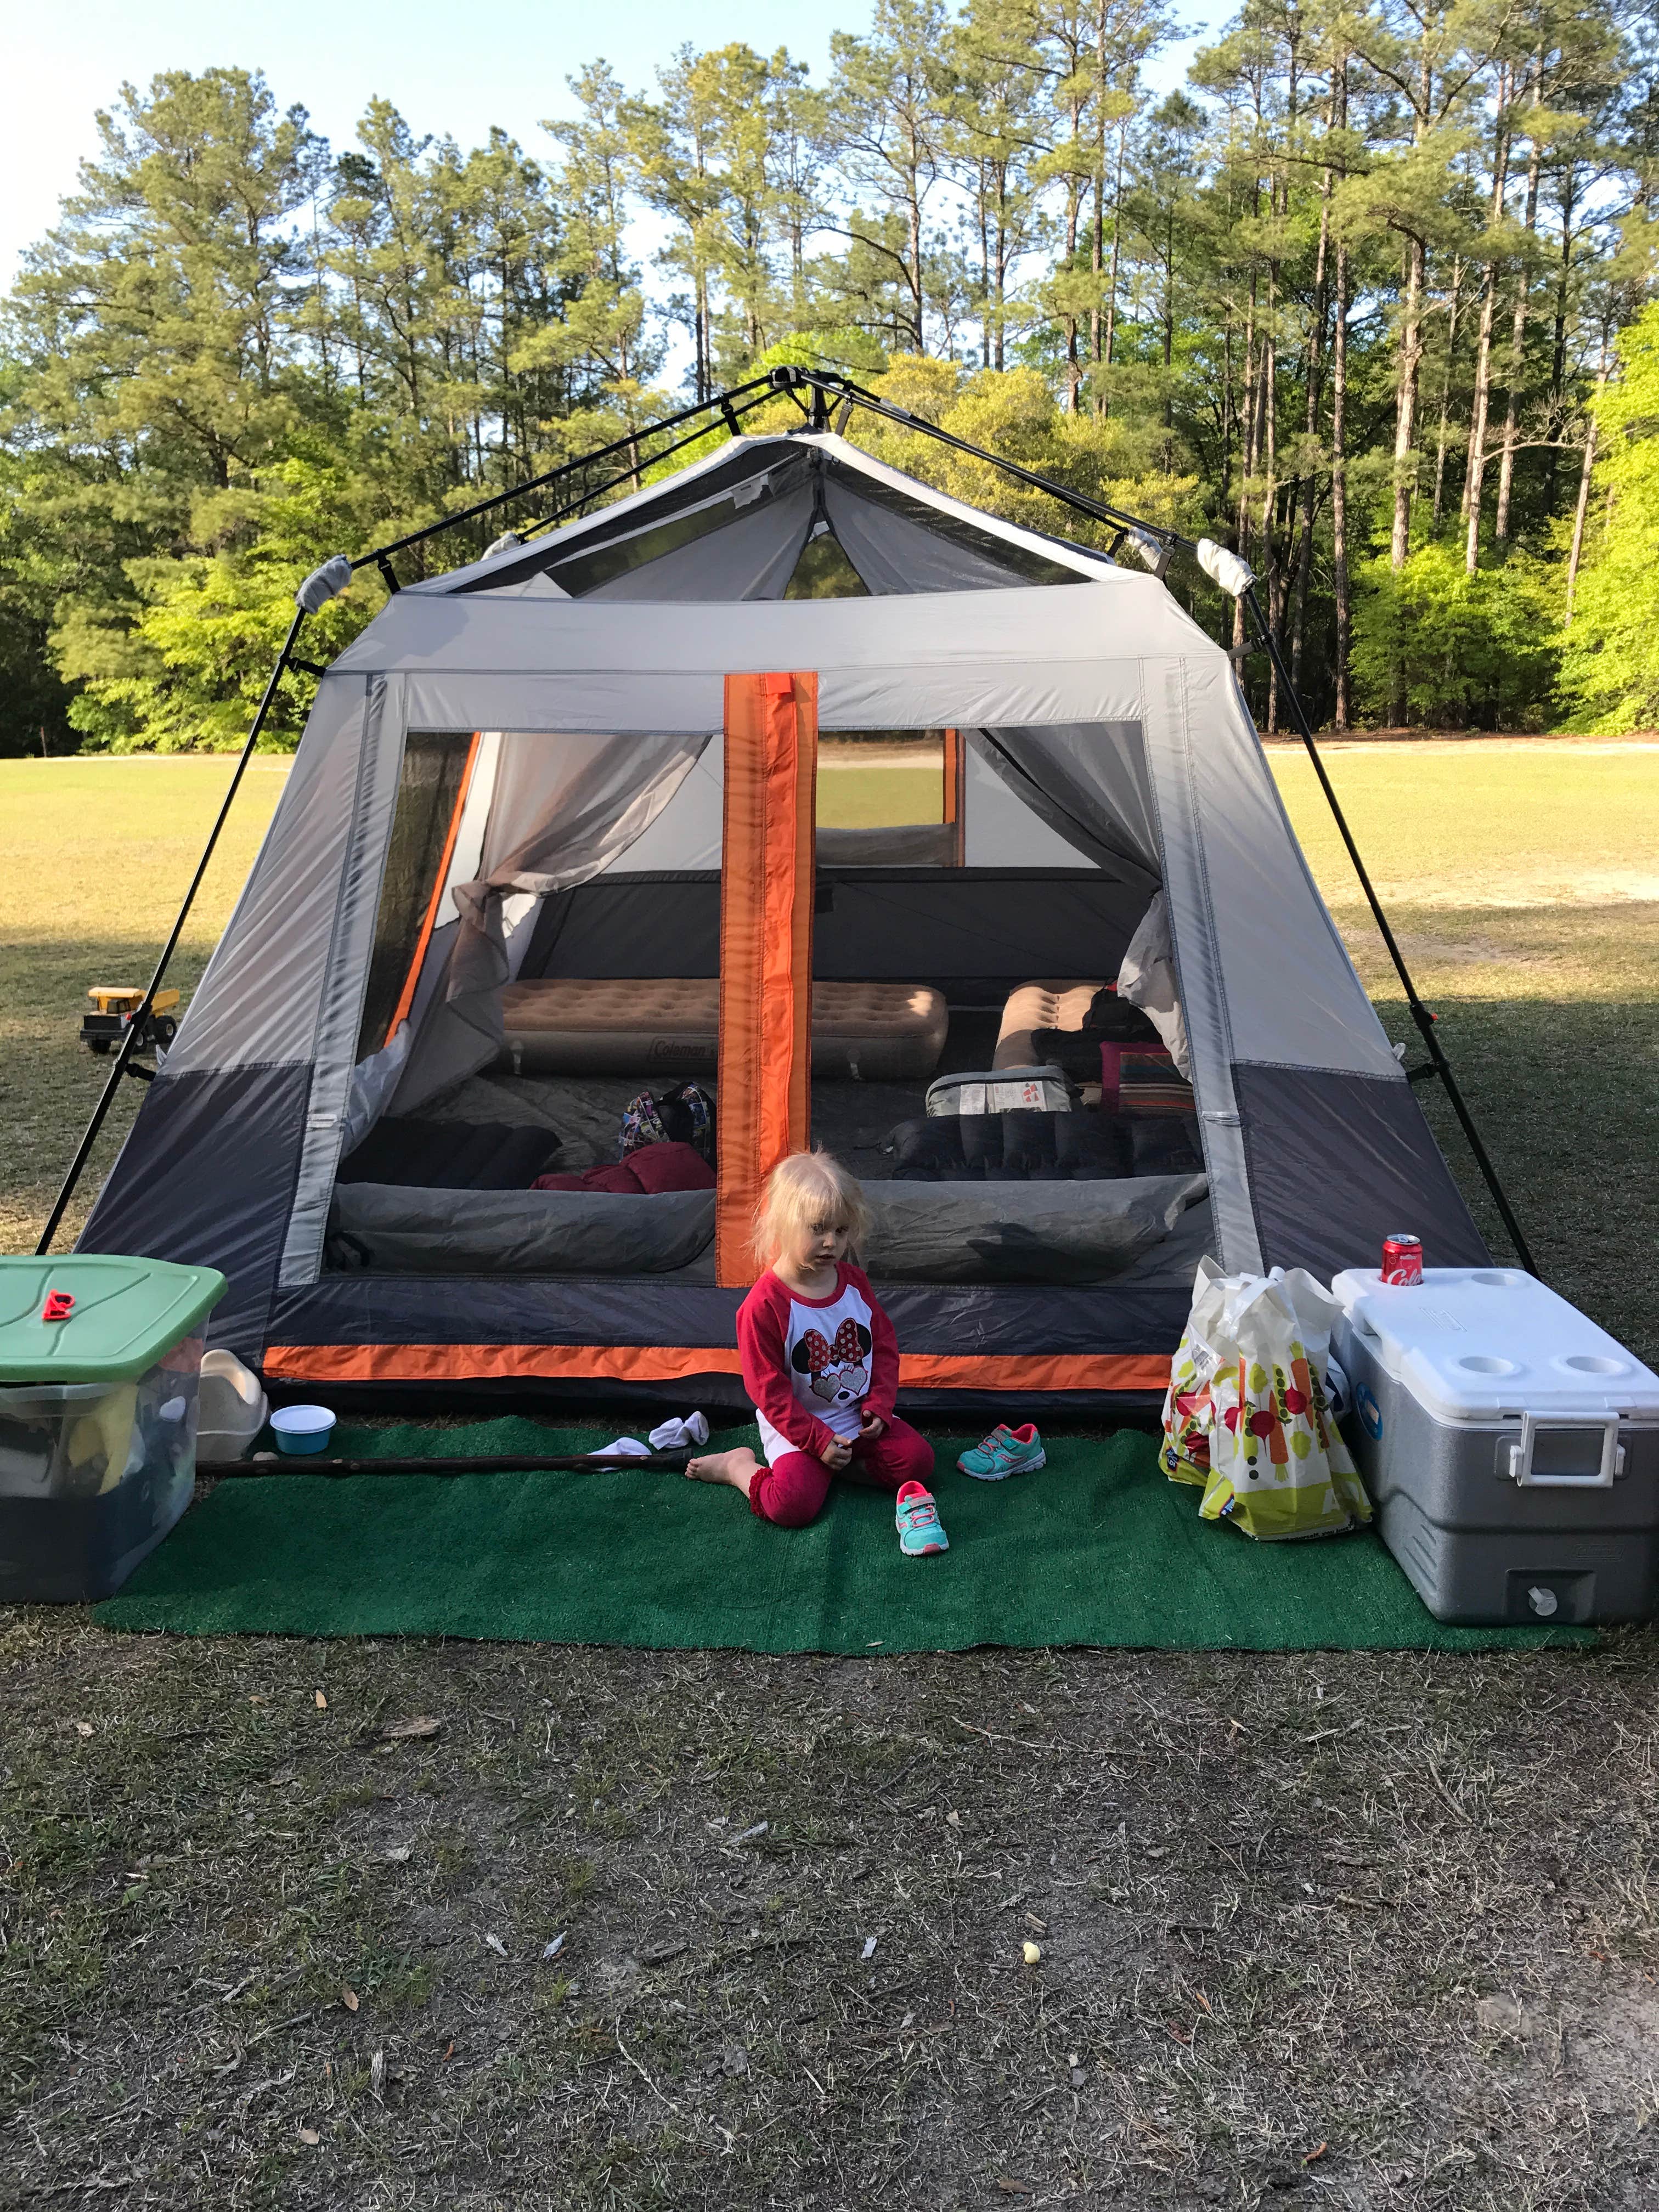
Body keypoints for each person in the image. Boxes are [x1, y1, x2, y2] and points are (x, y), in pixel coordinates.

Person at [686, 1150, 946, 1549]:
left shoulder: (855, 1282)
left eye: (841, 1231)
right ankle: (737, 1467)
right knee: (791, 1506)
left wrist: (878, 1404)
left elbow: (886, 1347)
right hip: (798, 1426)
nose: (831, 1243)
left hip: (852, 1416)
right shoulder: (764, 1305)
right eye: (817, 1229)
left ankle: (834, 1469)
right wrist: (817, 1441)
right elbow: (767, 1391)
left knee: (918, 1462)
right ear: (783, 1225)